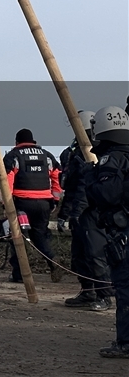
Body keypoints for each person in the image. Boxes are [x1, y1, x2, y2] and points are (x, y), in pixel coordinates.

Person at [82, 106, 129, 359]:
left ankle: (126, 342)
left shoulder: (114, 159)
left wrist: (91, 177)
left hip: (124, 235)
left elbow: (107, 195)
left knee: (125, 289)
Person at [60, 113, 112, 310]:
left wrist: (77, 212)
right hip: (79, 212)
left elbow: (84, 186)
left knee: (95, 255)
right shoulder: (77, 150)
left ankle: (104, 296)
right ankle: (87, 291)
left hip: (91, 213)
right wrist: (65, 213)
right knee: (80, 255)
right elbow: (72, 189)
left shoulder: (90, 151)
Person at [3, 128, 62, 283]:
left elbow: (7, 181)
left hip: (22, 203)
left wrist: (6, 204)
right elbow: (57, 177)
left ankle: (19, 274)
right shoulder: (47, 156)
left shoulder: (13, 156)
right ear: (33, 141)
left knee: (18, 237)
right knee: (40, 235)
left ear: (17, 142)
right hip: (44, 204)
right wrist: (55, 200)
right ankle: (52, 259)